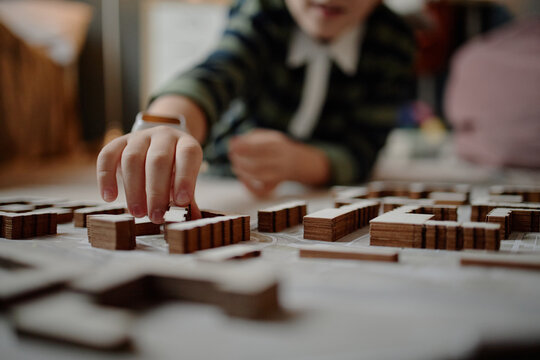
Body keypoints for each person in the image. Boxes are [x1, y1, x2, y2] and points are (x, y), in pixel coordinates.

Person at [97, 0, 416, 223]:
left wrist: (298, 162)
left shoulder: (395, 40)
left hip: (320, 181)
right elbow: (217, 75)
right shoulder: (261, 9)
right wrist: (165, 123)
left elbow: (362, 151)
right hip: (224, 167)